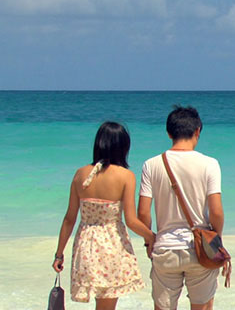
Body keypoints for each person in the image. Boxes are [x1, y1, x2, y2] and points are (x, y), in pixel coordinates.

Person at [53, 122, 155, 310]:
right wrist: (152, 237)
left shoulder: (80, 174)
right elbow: (131, 221)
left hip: (85, 245)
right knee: (106, 306)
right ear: (123, 147)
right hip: (111, 245)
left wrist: (59, 255)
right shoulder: (125, 176)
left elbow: (69, 219)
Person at [137, 106, 224, 310]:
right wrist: (215, 239)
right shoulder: (209, 164)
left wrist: (149, 240)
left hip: (165, 247)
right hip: (199, 249)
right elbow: (216, 212)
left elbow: (143, 212)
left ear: (169, 133)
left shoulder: (151, 164)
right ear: (197, 131)